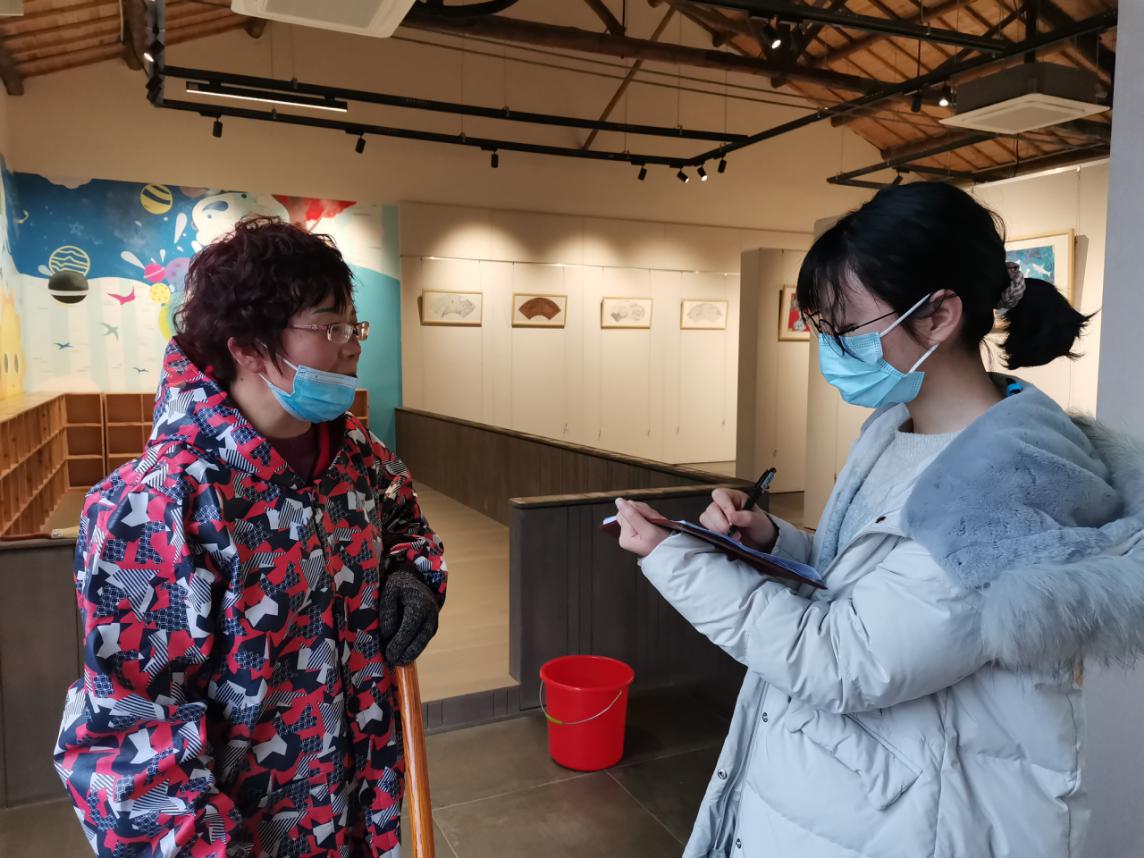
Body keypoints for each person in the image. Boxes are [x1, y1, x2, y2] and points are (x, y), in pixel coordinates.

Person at [614, 182, 1144, 857]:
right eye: (823, 327)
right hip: (862, 786)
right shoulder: (896, 428)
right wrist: (774, 541)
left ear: (939, 315)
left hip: (921, 818)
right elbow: (868, 580)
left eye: (846, 328)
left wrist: (674, 560)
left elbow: (844, 660)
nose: (831, 348)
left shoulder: (1005, 489)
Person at [54, 216, 447, 857]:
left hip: (364, 810)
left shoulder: (356, 455)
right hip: (249, 835)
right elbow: (130, 739)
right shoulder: (156, 505)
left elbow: (404, 523)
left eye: (355, 327)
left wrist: (411, 573)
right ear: (248, 348)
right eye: (330, 327)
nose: (352, 347)